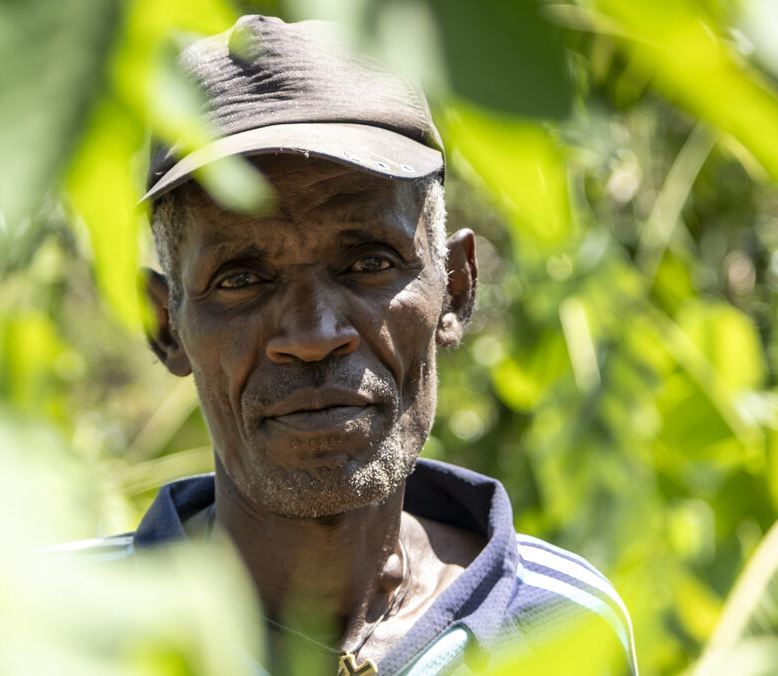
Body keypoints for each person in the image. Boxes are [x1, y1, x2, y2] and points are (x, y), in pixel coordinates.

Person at [60, 15, 637, 676]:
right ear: (166, 324)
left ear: (454, 288)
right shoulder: (39, 631)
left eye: (367, 263)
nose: (312, 336)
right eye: (241, 279)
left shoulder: (562, 624)